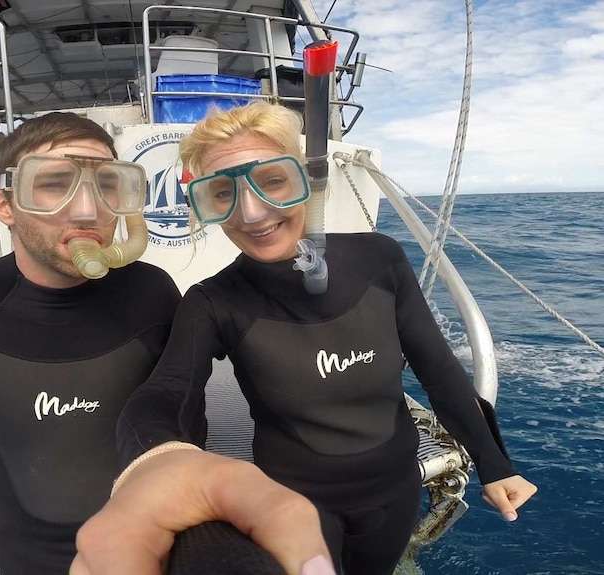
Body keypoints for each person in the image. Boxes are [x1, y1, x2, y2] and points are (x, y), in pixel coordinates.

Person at [75, 102, 537, 575]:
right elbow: (165, 391)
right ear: (202, 205)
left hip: (393, 491)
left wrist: (494, 463)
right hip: (293, 502)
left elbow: (438, 371)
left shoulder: (380, 259)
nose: (252, 213)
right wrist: (153, 460)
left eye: (272, 180)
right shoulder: (213, 302)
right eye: (222, 194)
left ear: (306, 181)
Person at [0, 111, 329, 574]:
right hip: (32, 551)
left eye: (106, 185)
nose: (88, 210)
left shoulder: (151, 291)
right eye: (55, 184)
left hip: (166, 535)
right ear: (6, 204)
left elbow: (178, 395)